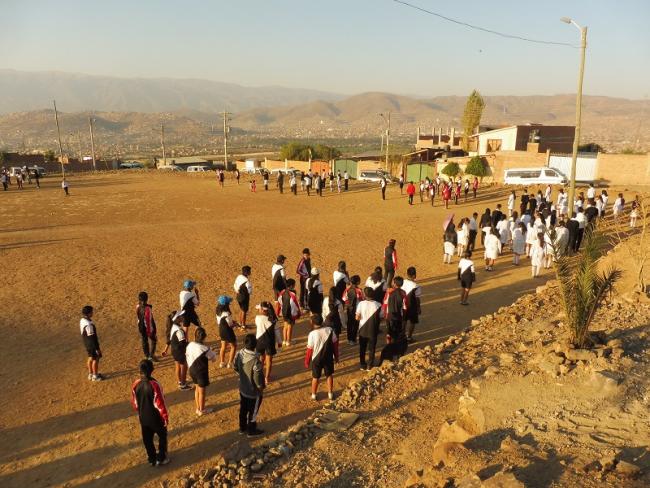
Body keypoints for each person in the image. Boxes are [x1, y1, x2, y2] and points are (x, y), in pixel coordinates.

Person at [131, 359, 170, 467]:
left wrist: (141, 411)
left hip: (143, 417)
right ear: (152, 370)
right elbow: (160, 403)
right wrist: (165, 417)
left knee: (147, 439)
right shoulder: (154, 384)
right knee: (162, 435)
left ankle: (152, 458)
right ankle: (161, 457)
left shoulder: (135, 384)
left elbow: (134, 403)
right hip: (156, 417)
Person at [233, 334, 266, 437]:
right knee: (253, 411)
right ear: (255, 345)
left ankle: (242, 428)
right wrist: (261, 388)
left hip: (243, 388)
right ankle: (251, 430)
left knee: (243, 409)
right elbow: (258, 380)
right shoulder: (256, 362)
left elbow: (235, 367)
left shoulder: (239, 354)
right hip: (253, 392)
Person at [304, 314, 339, 401]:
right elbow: (335, 344)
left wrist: (307, 362)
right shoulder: (330, 330)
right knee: (329, 375)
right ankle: (330, 394)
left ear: (312, 323)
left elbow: (309, 350)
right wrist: (337, 356)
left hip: (316, 359)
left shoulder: (312, 334)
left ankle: (313, 395)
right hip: (328, 357)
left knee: (315, 377)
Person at [186, 327, 217, 416]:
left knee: (197, 389)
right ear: (204, 337)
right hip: (201, 372)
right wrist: (211, 351)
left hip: (192, 370)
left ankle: (198, 408)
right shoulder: (204, 348)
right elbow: (213, 358)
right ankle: (202, 410)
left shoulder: (190, 344)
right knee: (202, 392)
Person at [161, 311, 191, 390]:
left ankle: (179, 381)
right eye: (180, 316)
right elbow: (182, 343)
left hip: (174, 351)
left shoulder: (173, 327)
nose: (182, 316)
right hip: (180, 352)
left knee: (177, 366)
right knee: (184, 367)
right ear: (177, 319)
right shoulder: (179, 331)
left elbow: (170, 340)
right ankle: (183, 385)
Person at [255, 301, 282, 385]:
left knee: (261, 358)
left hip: (259, 341)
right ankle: (267, 377)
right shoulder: (274, 320)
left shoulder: (257, 318)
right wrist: (279, 342)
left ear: (263, 310)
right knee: (269, 360)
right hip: (270, 342)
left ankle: (259, 375)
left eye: (259, 309)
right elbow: (277, 332)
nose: (258, 310)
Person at [356, 287, 383, 370]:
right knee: (372, 348)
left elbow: (357, 317)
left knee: (362, 348)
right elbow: (382, 317)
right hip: (373, 329)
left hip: (362, 329)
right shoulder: (378, 305)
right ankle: (370, 365)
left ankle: (362, 364)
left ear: (364, 294)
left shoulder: (361, 304)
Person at [80, 305, 103, 381]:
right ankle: (95, 376)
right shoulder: (89, 324)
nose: (92, 313)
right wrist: (97, 348)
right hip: (91, 344)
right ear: (89, 313)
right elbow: (91, 337)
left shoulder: (82, 320)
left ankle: (90, 374)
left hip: (86, 343)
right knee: (95, 359)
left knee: (90, 358)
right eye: (91, 312)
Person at [216, 295, 240, 368]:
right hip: (228, 330)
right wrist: (236, 324)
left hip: (221, 329)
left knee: (223, 346)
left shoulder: (217, 310)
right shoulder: (227, 313)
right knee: (234, 346)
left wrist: (232, 322)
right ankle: (230, 363)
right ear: (226, 304)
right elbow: (230, 325)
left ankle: (222, 362)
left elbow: (222, 321)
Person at [382, 276, 407, 345]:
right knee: (397, 332)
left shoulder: (389, 292)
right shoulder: (403, 293)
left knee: (389, 331)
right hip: (398, 315)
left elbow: (385, 303)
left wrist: (384, 314)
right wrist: (404, 316)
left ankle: (389, 344)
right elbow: (405, 306)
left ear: (394, 284)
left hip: (389, 315)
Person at [278, 278, 301, 346]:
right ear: (291, 286)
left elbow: (279, 300)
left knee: (285, 326)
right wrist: (298, 311)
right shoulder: (293, 293)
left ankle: (284, 341)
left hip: (284, 311)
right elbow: (295, 303)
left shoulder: (282, 292)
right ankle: (289, 341)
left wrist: (282, 307)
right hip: (290, 312)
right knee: (290, 327)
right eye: (294, 285)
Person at [402, 267, 421, 342]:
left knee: (404, 320)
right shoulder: (416, 286)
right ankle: (409, 337)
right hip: (412, 306)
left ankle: (402, 335)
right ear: (414, 275)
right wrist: (419, 308)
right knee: (412, 321)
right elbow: (417, 298)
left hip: (403, 305)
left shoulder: (402, 282)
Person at [136, 291, 157, 362]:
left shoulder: (138, 306)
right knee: (153, 340)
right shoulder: (148, 309)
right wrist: (150, 331)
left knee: (144, 341)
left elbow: (138, 317)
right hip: (148, 328)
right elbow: (148, 321)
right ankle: (151, 355)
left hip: (141, 326)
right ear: (147, 299)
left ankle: (147, 355)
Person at [343, 275, 363, 345]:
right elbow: (361, 300)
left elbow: (344, 299)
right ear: (357, 282)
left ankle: (349, 339)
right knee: (355, 324)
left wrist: (348, 304)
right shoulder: (359, 290)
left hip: (349, 309)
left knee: (349, 323)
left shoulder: (347, 289)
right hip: (357, 310)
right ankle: (353, 339)